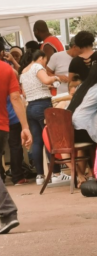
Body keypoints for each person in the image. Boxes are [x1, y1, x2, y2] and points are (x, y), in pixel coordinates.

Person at [19, 50, 62, 185]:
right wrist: (56, 78)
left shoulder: (23, 72)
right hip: (43, 105)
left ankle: (40, 176)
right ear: (41, 58)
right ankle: (56, 174)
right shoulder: (37, 66)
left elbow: (26, 93)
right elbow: (46, 79)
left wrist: (46, 85)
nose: (45, 64)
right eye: (45, 60)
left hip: (30, 107)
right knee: (50, 139)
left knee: (37, 141)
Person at [0, 60, 32, 234]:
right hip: (3, 127)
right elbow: (15, 98)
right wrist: (25, 127)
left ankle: (7, 212)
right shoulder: (7, 69)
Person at [67, 62, 97, 187]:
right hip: (85, 131)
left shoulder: (82, 86)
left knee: (83, 148)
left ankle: (82, 175)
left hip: (71, 129)